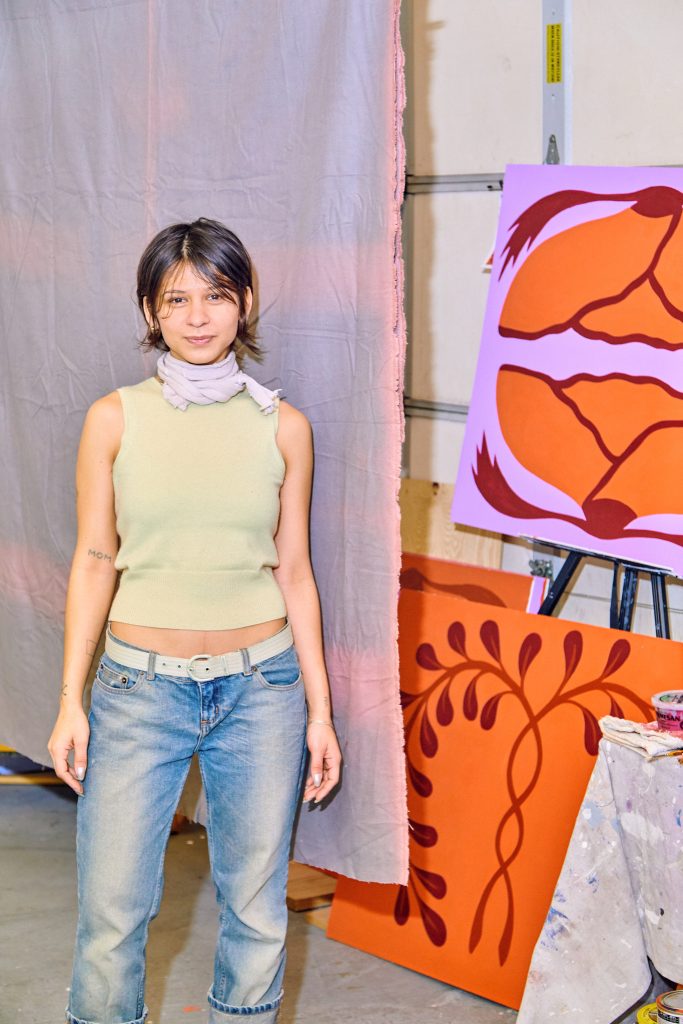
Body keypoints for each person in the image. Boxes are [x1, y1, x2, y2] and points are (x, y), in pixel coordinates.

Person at [47, 217, 342, 1024]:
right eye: (177, 298)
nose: (198, 315)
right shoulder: (114, 418)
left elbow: (294, 572)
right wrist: (71, 699)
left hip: (263, 688)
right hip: (139, 689)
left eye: (215, 294)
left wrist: (318, 713)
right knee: (112, 916)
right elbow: (95, 561)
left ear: (243, 302)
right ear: (150, 311)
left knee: (255, 911)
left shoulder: (284, 427)